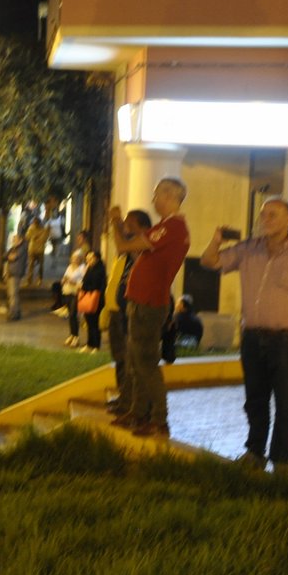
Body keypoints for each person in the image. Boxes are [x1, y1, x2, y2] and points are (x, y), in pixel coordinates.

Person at [200, 197, 288, 477]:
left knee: (286, 401)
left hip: (287, 341)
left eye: (273, 215)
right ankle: (254, 452)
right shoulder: (249, 248)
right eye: (263, 215)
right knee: (254, 400)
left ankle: (283, 461)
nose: (266, 220)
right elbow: (209, 261)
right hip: (252, 338)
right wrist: (217, 240)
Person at [109, 177, 191, 438]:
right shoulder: (166, 227)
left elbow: (123, 246)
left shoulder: (172, 228)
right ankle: (137, 412)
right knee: (136, 360)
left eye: (157, 194)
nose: (154, 200)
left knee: (145, 363)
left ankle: (158, 420)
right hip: (142, 302)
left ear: (169, 196)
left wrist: (115, 221)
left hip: (148, 305)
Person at [102, 210, 150, 407]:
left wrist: (115, 222)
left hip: (131, 311)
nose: (126, 228)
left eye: (130, 224)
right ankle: (124, 397)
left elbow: (124, 245)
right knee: (119, 356)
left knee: (130, 358)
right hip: (116, 309)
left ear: (142, 227)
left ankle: (134, 402)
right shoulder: (127, 250)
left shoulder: (143, 246)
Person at [79, 250, 108, 353]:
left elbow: (95, 285)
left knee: (95, 323)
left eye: (91, 258)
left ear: (97, 258)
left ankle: (96, 345)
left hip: (97, 300)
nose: (88, 261)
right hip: (89, 298)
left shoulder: (100, 269)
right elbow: (85, 282)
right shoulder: (89, 268)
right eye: (87, 259)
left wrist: (85, 287)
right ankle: (89, 344)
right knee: (89, 322)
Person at [60, 248, 87, 347]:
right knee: (70, 315)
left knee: (73, 314)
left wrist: (74, 282)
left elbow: (84, 282)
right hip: (67, 291)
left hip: (76, 293)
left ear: (80, 259)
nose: (74, 260)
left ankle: (76, 337)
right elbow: (65, 276)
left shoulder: (83, 268)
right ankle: (71, 334)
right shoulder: (69, 267)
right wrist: (63, 280)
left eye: (76, 258)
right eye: (73, 258)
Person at [4, 233, 27, 321]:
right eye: (13, 240)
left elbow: (13, 257)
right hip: (11, 272)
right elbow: (5, 256)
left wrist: (10, 256)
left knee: (13, 294)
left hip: (15, 273)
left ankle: (13, 314)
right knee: (12, 294)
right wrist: (9, 256)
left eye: (15, 240)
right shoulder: (14, 248)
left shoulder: (21, 248)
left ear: (20, 240)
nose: (13, 241)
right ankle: (16, 312)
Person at [25, 216, 50, 286]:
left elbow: (44, 239)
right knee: (30, 266)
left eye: (36, 223)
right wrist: (34, 237)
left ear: (39, 223)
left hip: (40, 250)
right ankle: (29, 280)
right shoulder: (31, 228)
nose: (35, 224)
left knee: (41, 266)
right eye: (34, 223)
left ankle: (40, 279)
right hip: (32, 250)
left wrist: (36, 238)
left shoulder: (43, 229)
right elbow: (27, 237)